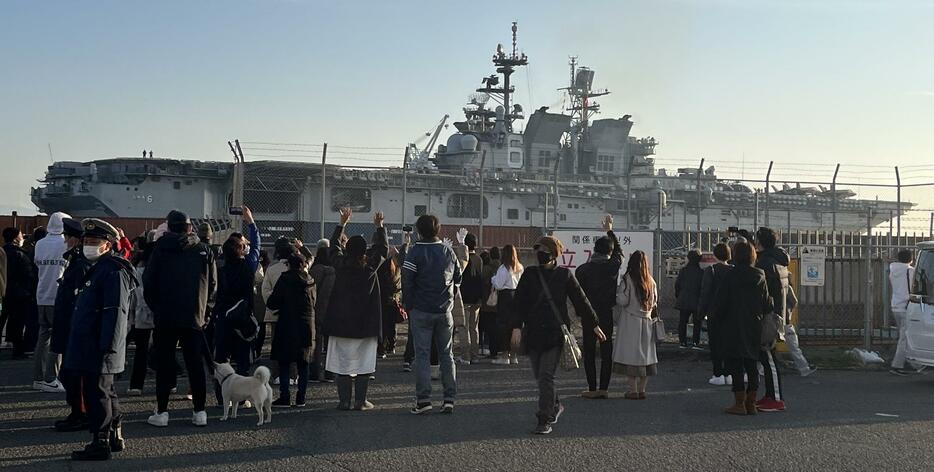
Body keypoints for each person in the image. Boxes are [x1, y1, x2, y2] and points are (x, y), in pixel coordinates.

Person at [512, 236, 606, 435]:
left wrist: (594, 324)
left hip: (556, 333)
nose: (540, 254)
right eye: (538, 250)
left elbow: (581, 301)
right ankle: (555, 406)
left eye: (544, 251)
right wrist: (516, 326)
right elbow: (519, 302)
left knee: (546, 375)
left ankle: (544, 419)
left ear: (554, 255)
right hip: (533, 332)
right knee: (541, 377)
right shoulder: (529, 274)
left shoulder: (564, 276)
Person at [66, 218, 138, 461]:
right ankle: (113, 436)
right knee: (106, 392)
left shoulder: (113, 271)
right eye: (86, 241)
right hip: (91, 344)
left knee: (98, 395)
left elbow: (115, 311)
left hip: (99, 346)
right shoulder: (99, 269)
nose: (88, 245)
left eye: (94, 242)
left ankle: (100, 442)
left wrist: (108, 345)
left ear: (108, 245)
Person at [143, 209, 217, 428]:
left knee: (165, 366)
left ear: (169, 227)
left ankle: (162, 411)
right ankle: (200, 412)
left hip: (165, 316)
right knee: (195, 364)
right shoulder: (204, 250)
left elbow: (149, 283)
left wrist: (157, 308)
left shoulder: (158, 250)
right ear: (189, 227)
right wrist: (204, 313)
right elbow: (213, 286)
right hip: (194, 317)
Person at [402, 214, 461, 414]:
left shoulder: (415, 252)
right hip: (445, 311)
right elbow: (458, 278)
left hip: (421, 310)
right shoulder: (448, 251)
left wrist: (409, 306)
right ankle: (449, 398)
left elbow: (407, 281)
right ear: (438, 230)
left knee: (422, 355)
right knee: (447, 355)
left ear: (419, 230)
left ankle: (424, 400)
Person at [326, 209, 385, 411]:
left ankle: (343, 401)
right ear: (364, 251)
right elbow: (382, 249)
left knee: (342, 364)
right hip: (365, 324)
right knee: (364, 365)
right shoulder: (370, 268)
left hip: (341, 323)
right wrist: (380, 227)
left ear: (346, 248)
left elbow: (333, 246)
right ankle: (361, 401)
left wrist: (341, 224)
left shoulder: (340, 265)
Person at [716, 241, 772, 416]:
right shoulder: (760, 276)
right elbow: (767, 303)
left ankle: (739, 403)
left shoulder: (730, 276)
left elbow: (721, 302)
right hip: (753, 324)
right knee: (751, 364)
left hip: (732, 324)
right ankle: (751, 403)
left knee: (735, 364)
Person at [51, 218, 93, 432]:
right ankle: (77, 411)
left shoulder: (80, 265)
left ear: (75, 240)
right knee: (69, 374)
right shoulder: (76, 262)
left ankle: (81, 413)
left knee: (75, 375)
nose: (65, 241)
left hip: (74, 328)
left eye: (67, 237)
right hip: (68, 326)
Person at [575, 215, 623, 398]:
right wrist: (610, 230)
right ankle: (604, 388)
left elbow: (578, 297)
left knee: (589, 352)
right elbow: (619, 252)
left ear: (594, 250)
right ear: (609, 252)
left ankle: (592, 388)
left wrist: (580, 313)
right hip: (606, 314)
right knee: (606, 350)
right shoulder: (612, 267)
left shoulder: (582, 270)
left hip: (589, 315)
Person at [213, 209, 262, 378]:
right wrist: (251, 223)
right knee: (243, 359)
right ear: (242, 250)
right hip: (243, 317)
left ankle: (221, 395)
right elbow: (256, 247)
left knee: (222, 358)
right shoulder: (248, 267)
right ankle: (242, 397)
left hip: (223, 316)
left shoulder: (219, 268)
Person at [267, 252, 315, 408]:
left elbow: (273, 302)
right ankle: (301, 398)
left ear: (289, 265)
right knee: (304, 363)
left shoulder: (284, 279)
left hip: (287, 324)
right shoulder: (310, 281)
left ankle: (285, 397)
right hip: (307, 324)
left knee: (285, 361)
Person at [32, 212, 71, 393]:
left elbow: (38, 264)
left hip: (41, 295)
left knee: (43, 337)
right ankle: (51, 378)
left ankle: (38, 378)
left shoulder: (39, 244)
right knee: (59, 338)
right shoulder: (65, 244)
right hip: (58, 296)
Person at [612, 250, 659, 401]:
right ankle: (642, 389)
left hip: (630, 321)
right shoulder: (651, 281)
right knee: (646, 357)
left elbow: (622, 301)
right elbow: (655, 303)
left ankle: (632, 390)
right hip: (646, 322)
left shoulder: (628, 279)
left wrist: (617, 293)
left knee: (631, 356)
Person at [755, 227, 790, 412]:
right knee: (767, 356)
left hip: (768, 315)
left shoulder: (765, 263)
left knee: (768, 356)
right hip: (778, 313)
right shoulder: (779, 261)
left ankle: (776, 398)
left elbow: (762, 291)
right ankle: (770, 395)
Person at [698, 243, 733, 386]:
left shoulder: (710, 271)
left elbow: (705, 293)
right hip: (731, 313)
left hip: (714, 312)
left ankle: (718, 373)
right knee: (729, 344)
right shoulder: (733, 270)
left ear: (715, 255)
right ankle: (729, 373)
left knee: (715, 344)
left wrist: (701, 312)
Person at [127, 231, 156, 395]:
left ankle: (135, 385)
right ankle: (170, 382)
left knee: (141, 351)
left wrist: (131, 318)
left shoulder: (137, 271)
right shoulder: (161, 270)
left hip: (140, 315)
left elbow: (132, 297)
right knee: (164, 350)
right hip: (159, 315)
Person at [3, 227, 38, 359]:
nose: (23, 237)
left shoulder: (2, 252)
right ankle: (18, 351)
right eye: (21, 235)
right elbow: (28, 275)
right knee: (17, 322)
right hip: (19, 295)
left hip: (3, 294)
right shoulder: (21, 255)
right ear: (15, 239)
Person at [368, 219, 401, 358]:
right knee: (389, 323)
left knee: (377, 322)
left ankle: (378, 347)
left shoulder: (370, 257)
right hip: (388, 295)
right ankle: (390, 346)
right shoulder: (390, 261)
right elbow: (396, 278)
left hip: (374, 293)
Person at [491, 244, 523, 365]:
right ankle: (514, 355)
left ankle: (505, 355)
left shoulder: (503, 268)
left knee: (503, 325)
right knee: (514, 325)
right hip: (516, 295)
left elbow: (498, 285)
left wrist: (493, 279)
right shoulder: (519, 267)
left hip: (505, 297)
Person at [455, 232, 484, 365]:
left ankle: (465, 356)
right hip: (477, 298)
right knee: (474, 328)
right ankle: (475, 355)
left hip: (465, 297)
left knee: (463, 327)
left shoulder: (462, 259)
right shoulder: (479, 259)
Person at [309, 242, 336, 382]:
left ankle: (314, 372)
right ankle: (330, 373)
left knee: (316, 342)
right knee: (330, 343)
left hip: (316, 310)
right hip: (331, 311)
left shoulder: (314, 271)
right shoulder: (334, 271)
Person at [889, 249, 917, 376]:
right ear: (910, 259)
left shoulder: (893, 270)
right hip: (907, 307)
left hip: (896, 306)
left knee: (904, 335)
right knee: (905, 337)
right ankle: (897, 365)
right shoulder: (910, 271)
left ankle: (910, 362)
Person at [783, 286, 816, 377]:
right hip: (785, 320)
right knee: (793, 347)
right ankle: (804, 368)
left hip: (770, 320)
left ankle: (759, 369)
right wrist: (788, 312)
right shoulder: (786, 285)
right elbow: (794, 301)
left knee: (764, 346)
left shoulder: (767, 281)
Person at [675, 249, 704, 349]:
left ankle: (682, 342)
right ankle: (696, 342)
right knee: (697, 322)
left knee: (683, 321)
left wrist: (678, 296)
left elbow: (677, 285)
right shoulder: (701, 272)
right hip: (696, 300)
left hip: (684, 299)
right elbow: (703, 288)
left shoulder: (683, 271)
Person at [479, 247, 499, 357]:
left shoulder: (487, 269)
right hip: (498, 302)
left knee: (484, 325)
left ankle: (483, 346)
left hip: (486, 301)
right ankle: (492, 348)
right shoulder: (502, 267)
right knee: (494, 327)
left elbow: (482, 282)